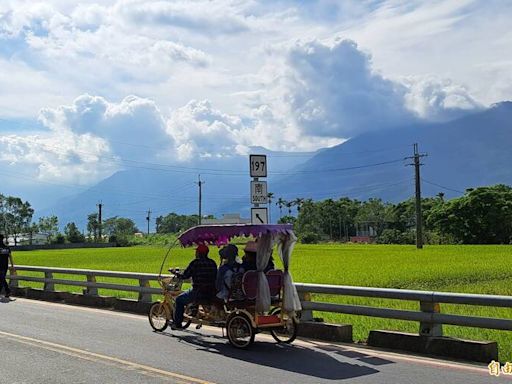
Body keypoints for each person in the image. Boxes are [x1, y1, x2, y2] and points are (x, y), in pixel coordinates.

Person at [172, 244, 217, 329]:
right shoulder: (212, 263)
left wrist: (176, 273)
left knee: (179, 300)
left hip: (198, 292)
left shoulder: (195, 263)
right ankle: (194, 310)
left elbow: (185, 275)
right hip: (211, 292)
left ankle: (177, 323)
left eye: (196, 252)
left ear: (199, 253)